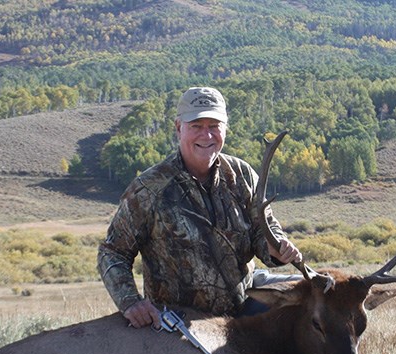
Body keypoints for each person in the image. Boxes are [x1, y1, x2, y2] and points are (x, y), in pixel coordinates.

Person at [97, 86, 302, 329]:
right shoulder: (149, 189)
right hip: (183, 323)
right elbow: (113, 252)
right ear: (178, 128)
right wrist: (130, 302)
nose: (206, 135)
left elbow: (263, 230)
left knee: (316, 299)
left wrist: (276, 248)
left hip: (245, 304)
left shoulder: (243, 175)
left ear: (225, 128)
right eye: (196, 126)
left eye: (214, 126)